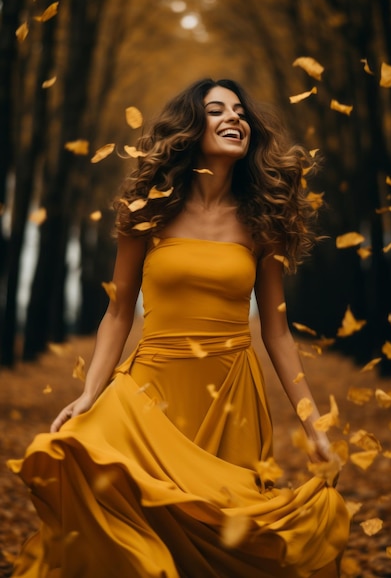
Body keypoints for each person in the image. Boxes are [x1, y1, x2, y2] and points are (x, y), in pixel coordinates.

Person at [8, 78, 350, 577]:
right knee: (137, 525)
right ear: (192, 127)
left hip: (232, 400)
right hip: (151, 394)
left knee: (223, 534)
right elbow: (119, 312)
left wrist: (313, 426)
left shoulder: (263, 221)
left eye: (240, 111)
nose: (235, 118)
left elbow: (277, 332)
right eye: (217, 110)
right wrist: (88, 394)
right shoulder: (147, 209)